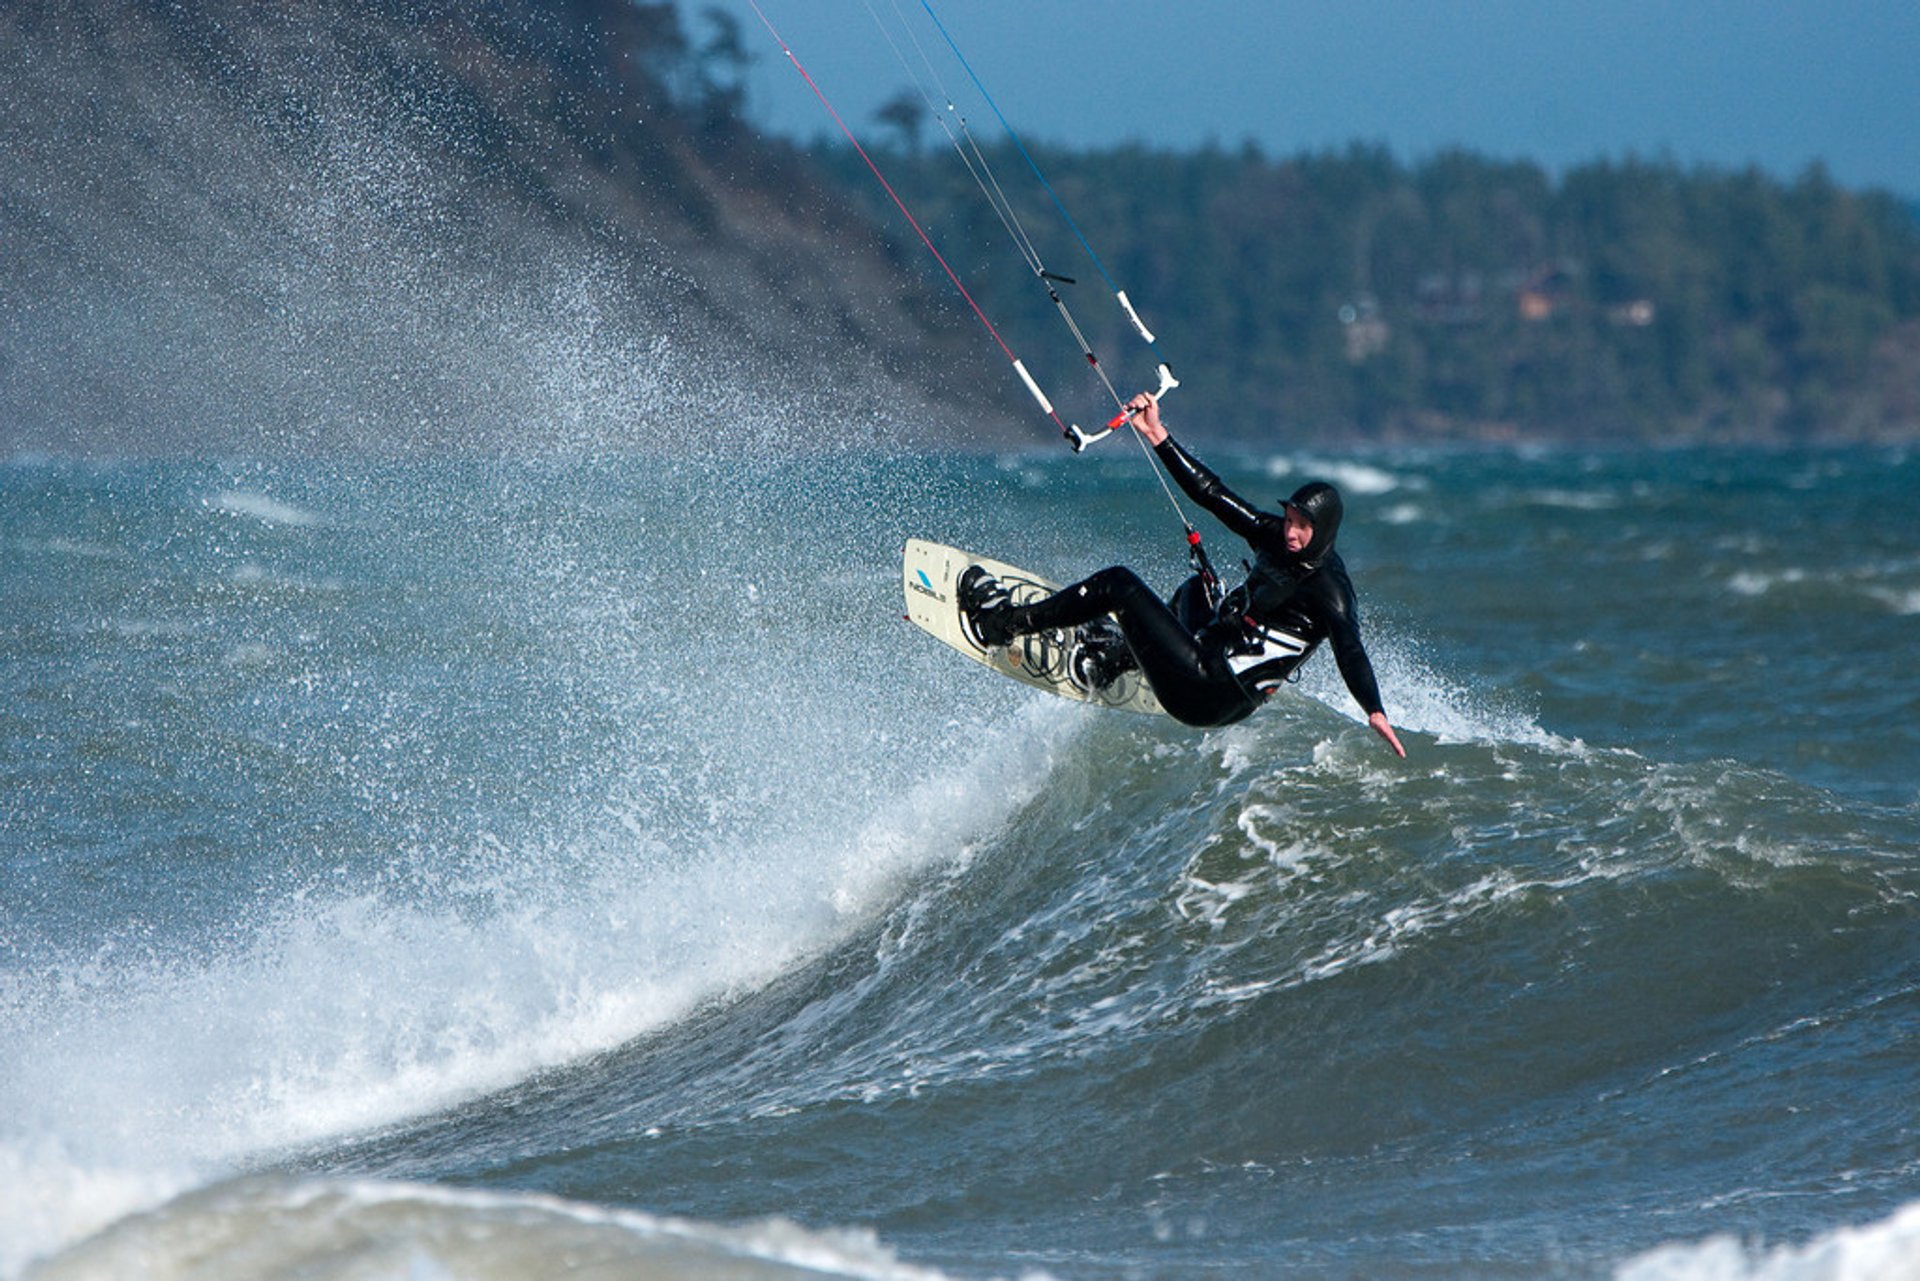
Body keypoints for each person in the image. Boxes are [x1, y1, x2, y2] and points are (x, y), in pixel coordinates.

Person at [960, 392, 1407, 756]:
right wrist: (1158, 435)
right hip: (1211, 659)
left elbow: (1351, 650)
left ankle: (1002, 624)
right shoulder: (1276, 538)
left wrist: (1374, 709)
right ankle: (1110, 661)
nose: (1290, 532)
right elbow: (1213, 495)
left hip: (1210, 693)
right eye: (1288, 519)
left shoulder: (1330, 591)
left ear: (1323, 530)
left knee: (1118, 584)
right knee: (1195, 591)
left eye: (1302, 527)